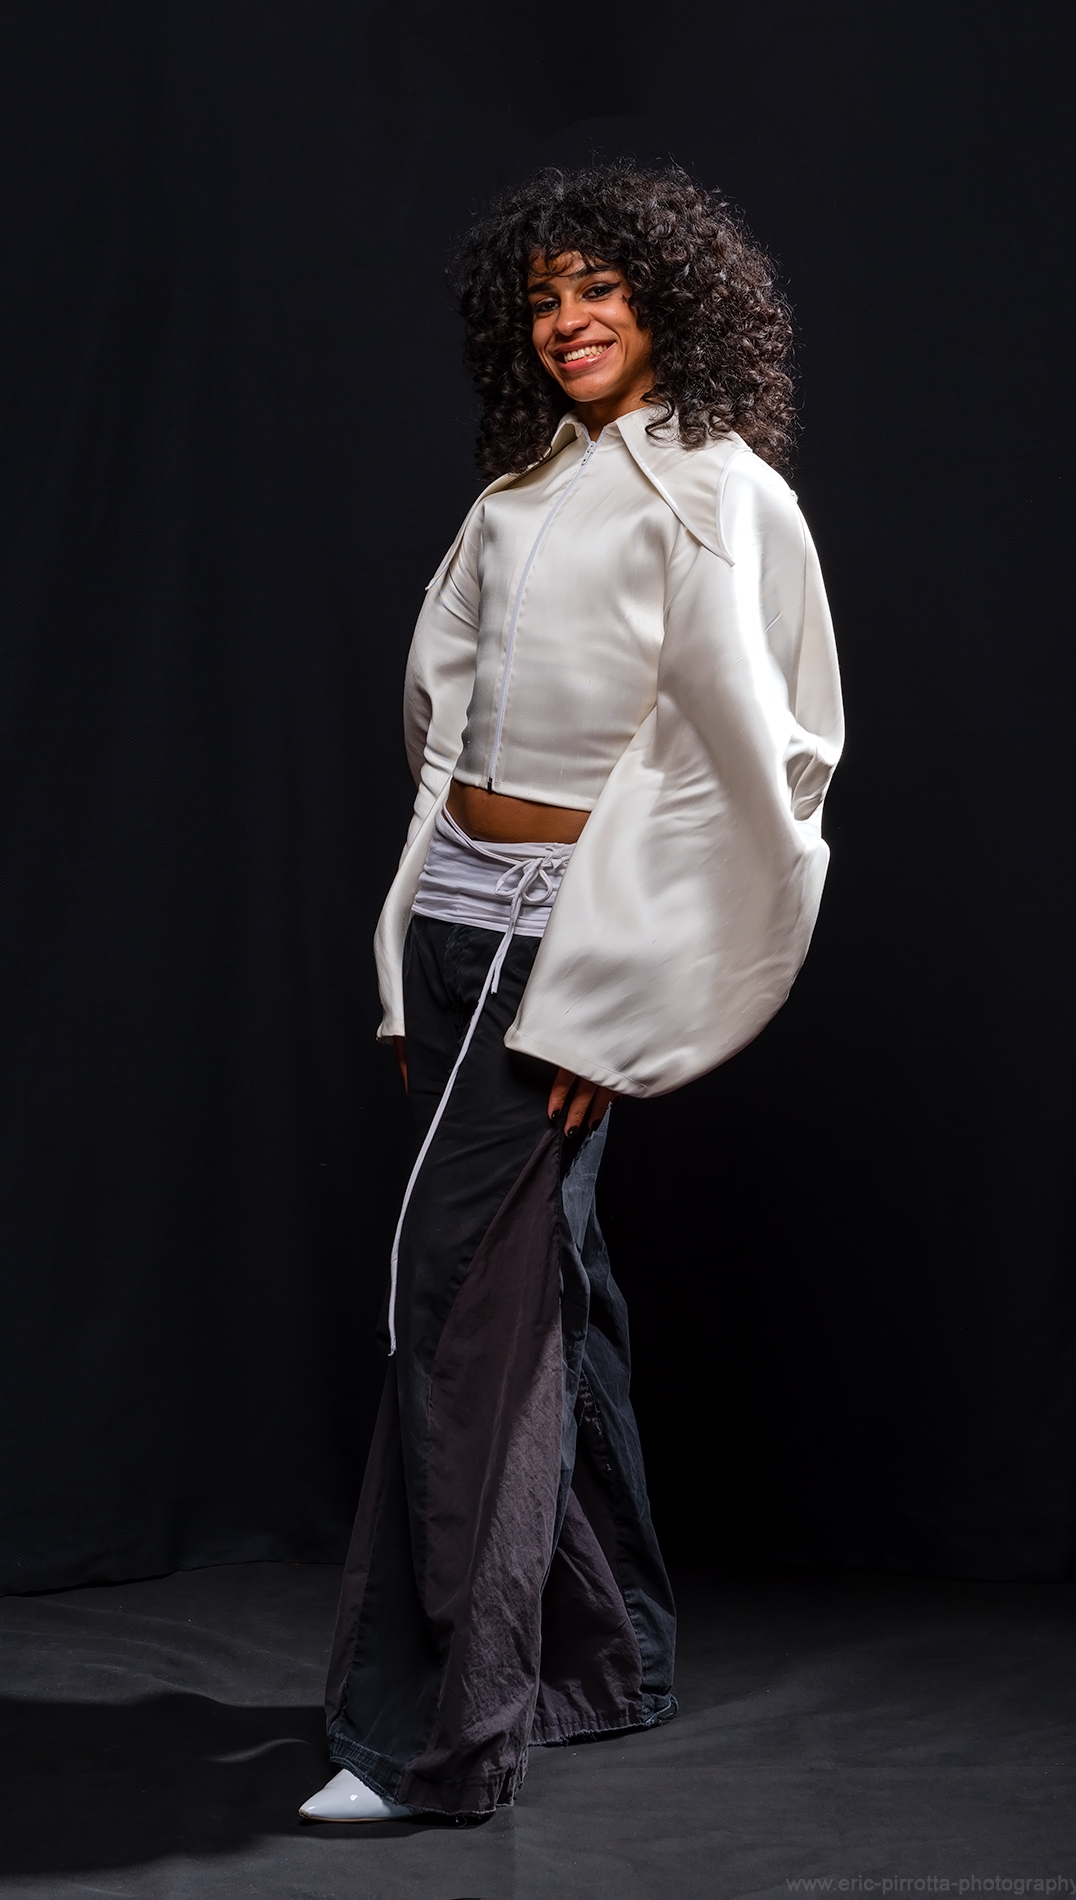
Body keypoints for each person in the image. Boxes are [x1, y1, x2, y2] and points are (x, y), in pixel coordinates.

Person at [300, 163, 844, 1823]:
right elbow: (443, 720)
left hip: (565, 950)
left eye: (598, 286)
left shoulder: (722, 491)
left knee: (453, 1305)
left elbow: (757, 770)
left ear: (672, 298)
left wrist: (615, 1003)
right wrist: (412, 929)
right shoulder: (522, 490)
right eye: (542, 297)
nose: (568, 319)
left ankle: (432, 1739)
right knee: (549, 1285)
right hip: (457, 929)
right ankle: (610, 1662)